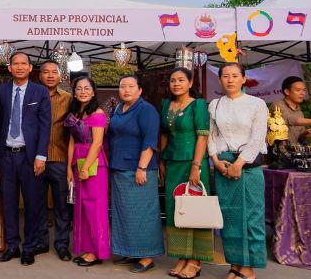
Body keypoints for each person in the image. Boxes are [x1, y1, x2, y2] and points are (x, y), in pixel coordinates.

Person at [208, 63, 268, 279]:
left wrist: (239, 163)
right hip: (223, 166)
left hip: (248, 167)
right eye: (225, 76)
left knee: (252, 216)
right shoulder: (214, 105)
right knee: (230, 216)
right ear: (220, 79)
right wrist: (215, 160)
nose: (230, 79)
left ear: (244, 79)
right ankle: (234, 263)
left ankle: (249, 267)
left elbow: (258, 137)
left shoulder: (257, 104)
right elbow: (211, 135)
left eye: (235, 76)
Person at [0, 52, 51, 266]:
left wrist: (40, 156)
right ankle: (11, 246)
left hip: (30, 156)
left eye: (23, 64)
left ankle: (29, 247)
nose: (19, 67)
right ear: (10, 68)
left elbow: (45, 125)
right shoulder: (2, 90)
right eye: (15, 64)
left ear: (30, 68)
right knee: (8, 202)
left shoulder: (40, 91)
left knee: (32, 203)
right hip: (8, 154)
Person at [159, 68, 212, 278]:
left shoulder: (198, 105)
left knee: (195, 208)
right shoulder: (166, 105)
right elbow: (163, 134)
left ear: (190, 83)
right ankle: (182, 255)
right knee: (176, 209)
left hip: (193, 163)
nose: (176, 83)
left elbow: (202, 137)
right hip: (172, 163)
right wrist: (162, 160)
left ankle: (195, 260)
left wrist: (196, 167)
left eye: (181, 80)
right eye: (173, 80)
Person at [108, 74, 163, 273]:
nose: (126, 90)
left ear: (140, 90)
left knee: (143, 214)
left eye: (131, 86)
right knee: (125, 214)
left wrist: (142, 168)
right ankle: (131, 251)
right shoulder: (118, 109)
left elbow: (149, 141)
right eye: (123, 86)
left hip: (139, 170)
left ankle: (147, 256)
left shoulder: (146, 110)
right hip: (119, 168)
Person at [65, 76, 109, 267]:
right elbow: (72, 142)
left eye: (86, 88)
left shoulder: (98, 113)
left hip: (94, 164)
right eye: (79, 89)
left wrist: (85, 167)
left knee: (95, 208)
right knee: (81, 207)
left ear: (93, 92)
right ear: (75, 93)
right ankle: (87, 249)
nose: (82, 92)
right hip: (78, 161)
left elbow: (98, 143)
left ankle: (97, 252)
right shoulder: (76, 113)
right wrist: (69, 167)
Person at [37, 60, 73, 260]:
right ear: (39, 75)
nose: (50, 75)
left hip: (60, 158)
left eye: (54, 72)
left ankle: (62, 244)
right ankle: (41, 242)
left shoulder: (68, 99)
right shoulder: (32, 96)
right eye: (46, 72)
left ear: (60, 76)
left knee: (62, 205)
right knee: (38, 204)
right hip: (37, 159)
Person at [271, 76, 311, 144]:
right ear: (287, 91)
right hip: (276, 152)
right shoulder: (277, 105)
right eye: (298, 90)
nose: (302, 93)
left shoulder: (300, 113)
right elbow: (290, 120)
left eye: (304, 90)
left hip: (293, 153)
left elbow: (300, 140)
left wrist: (305, 134)